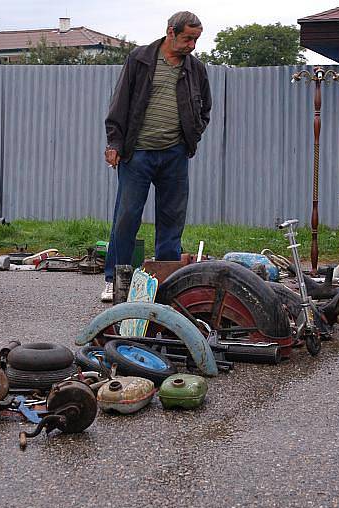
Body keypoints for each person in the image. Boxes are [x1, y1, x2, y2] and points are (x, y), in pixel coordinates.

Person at [101, 11, 212, 301]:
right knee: (126, 216)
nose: (192, 45)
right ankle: (117, 279)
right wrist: (115, 143)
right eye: (188, 38)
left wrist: (193, 135)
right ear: (170, 32)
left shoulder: (196, 69)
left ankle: (165, 282)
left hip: (175, 155)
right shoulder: (140, 59)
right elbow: (120, 102)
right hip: (136, 154)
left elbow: (205, 110)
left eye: (196, 39)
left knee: (171, 219)